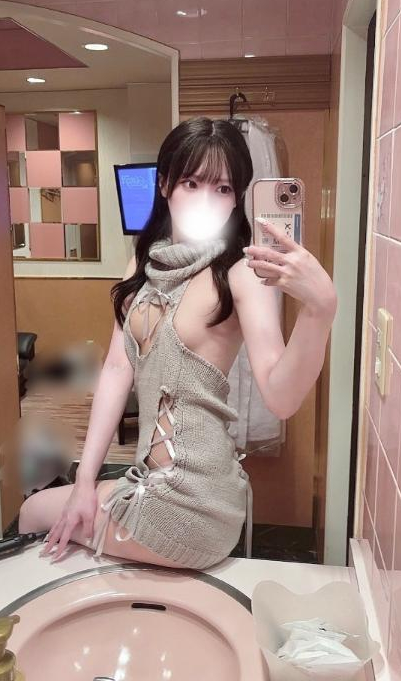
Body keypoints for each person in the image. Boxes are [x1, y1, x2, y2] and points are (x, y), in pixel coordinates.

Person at [19, 117, 337, 568]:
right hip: (149, 481)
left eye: (222, 189)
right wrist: (85, 481)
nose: (206, 200)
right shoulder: (141, 265)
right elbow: (116, 369)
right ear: (165, 184)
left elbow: (281, 398)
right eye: (192, 183)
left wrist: (319, 311)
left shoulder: (240, 274)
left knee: (33, 512)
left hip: (196, 500)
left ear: (237, 199)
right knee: (52, 514)